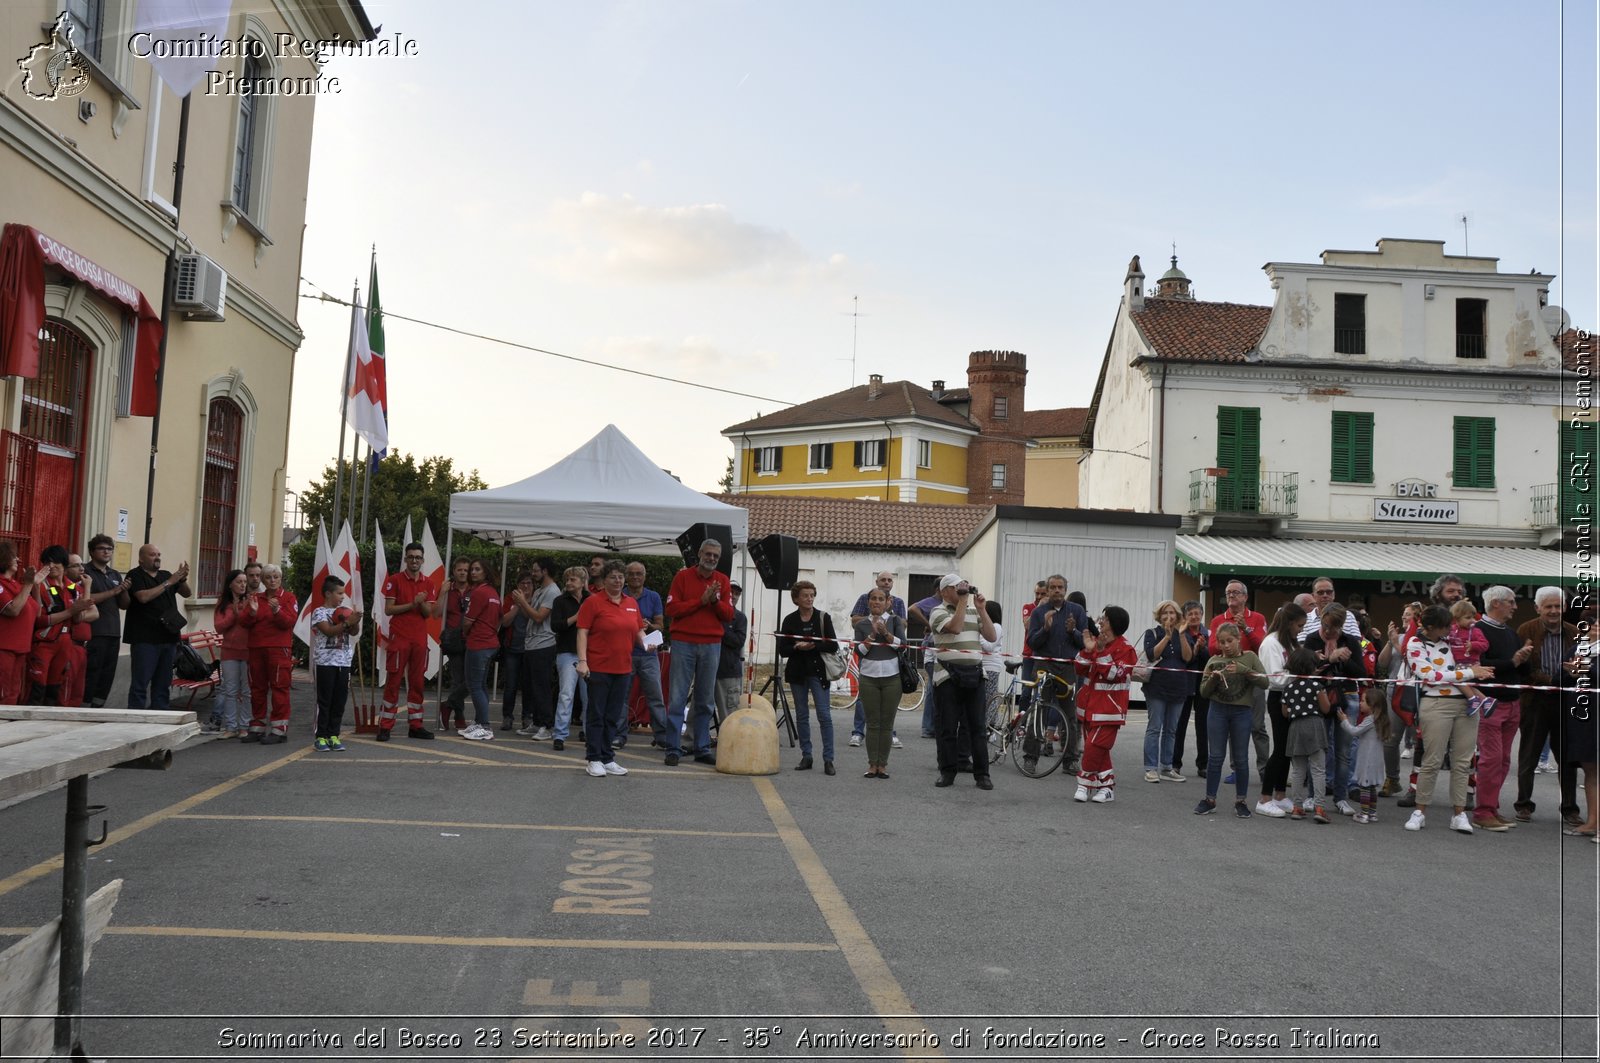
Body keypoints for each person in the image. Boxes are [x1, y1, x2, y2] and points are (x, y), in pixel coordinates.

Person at [1405, 604, 1489, 834]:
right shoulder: (1415, 644)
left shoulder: (1454, 640)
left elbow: (1471, 658)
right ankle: (1419, 811)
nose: (1449, 630)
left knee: (1463, 762)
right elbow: (1431, 676)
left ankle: (1459, 814)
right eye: (1444, 627)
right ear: (1430, 626)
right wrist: (1471, 673)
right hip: (1436, 703)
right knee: (1432, 760)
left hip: (1466, 705)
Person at [1513, 587, 1581, 825]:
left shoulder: (1574, 632)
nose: (1553, 611)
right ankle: (1523, 804)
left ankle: (1570, 808)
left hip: (1565, 700)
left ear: (1564, 608)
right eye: (1548, 606)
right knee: (1529, 755)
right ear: (1537, 608)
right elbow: (1523, 668)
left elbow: (1582, 664)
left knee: (1567, 759)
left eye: (1557, 606)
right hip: (1535, 701)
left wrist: (1569, 677)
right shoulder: (1526, 630)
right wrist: (1548, 680)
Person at [663, 539, 734, 767]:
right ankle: (673, 748)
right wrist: (700, 601)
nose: (712, 558)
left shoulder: (722, 580)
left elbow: (728, 615)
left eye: (716, 555)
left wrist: (713, 601)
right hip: (683, 642)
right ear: (699, 554)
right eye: (708, 554)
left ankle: (701, 747)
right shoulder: (682, 577)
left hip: (711, 644)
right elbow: (672, 609)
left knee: (705, 700)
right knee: (677, 698)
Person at [575, 560, 644, 777]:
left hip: (623, 668)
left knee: (613, 715)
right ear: (604, 580)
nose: (618, 580)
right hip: (599, 667)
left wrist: (646, 641)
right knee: (597, 713)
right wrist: (583, 660)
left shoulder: (631, 603)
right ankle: (593, 757)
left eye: (621, 577)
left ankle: (607, 757)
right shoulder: (593, 602)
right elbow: (582, 632)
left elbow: (638, 630)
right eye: (613, 576)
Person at [929, 574, 996, 789]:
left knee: (977, 727)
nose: (962, 591)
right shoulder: (937, 611)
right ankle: (947, 772)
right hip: (947, 676)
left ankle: (982, 775)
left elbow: (992, 636)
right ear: (945, 591)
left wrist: (982, 609)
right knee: (947, 727)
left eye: (963, 587)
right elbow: (956, 628)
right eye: (957, 588)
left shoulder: (972, 609)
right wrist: (964, 602)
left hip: (975, 674)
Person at [1195, 622, 1268, 818]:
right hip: (1217, 710)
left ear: (1238, 640)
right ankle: (1210, 799)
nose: (1226, 645)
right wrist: (1213, 679)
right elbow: (1203, 692)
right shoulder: (1213, 660)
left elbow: (1264, 681)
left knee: (1241, 758)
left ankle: (1241, 801)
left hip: (1242, 712)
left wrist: (1243, 670)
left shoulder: (1250, 657)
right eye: (1221, 642)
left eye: (1229, 641)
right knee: (1215, 757)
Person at [1302, 602, 1368, 817]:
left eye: (1334, 627)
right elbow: (1306, 670)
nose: (1329, 631)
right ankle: (1313, 795)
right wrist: (1329, 659)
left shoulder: (1351, 641)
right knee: (1318, 749)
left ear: (1341, 625)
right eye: (1326, 625)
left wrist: (1345, 660)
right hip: (1319, 696)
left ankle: (1340, 798)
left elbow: (1360, 673)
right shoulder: (1312, 639)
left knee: (1343, 751)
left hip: (1346, 697)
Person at [1472, 586, 1529, 830]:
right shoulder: (1477, 631)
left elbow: (1518, 669)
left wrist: (1523, 659)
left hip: (1512, 701)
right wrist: (1513, 661)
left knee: (1504, 760)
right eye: (1511, 602)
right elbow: (1478, 665)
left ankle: (1491, 807)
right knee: (1491, 759)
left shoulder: (1511, 633)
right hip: (1490, 702)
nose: (1515, 607)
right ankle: (1483, 811)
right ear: (1496, 603)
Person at [1027, 575, 1093, 774]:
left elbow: (1085, 643)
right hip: (1044, 665)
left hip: (1067, 668)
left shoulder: (1077, 611)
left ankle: (1070, 760)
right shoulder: (1039, 613)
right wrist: (1045, 629)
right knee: (1039, 711)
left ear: (1065, 590)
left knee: (1070, 714)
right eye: (1053, 587)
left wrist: (1073, 632)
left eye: (1060, 587)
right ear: (1047, 590)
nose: (1057, 590)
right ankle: (1030, 757)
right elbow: (1032, 643)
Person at [1073, 604, 1134, 803]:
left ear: (1114, 623)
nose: (1100, 622)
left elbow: (1114, 674)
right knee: (1100, 749)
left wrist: (1099, 652)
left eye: (1105, 619)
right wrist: (1087, 649)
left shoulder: (1127, 649)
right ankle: (1107, 788)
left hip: (1109, 711)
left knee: (1093, 747)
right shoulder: (1098, 643)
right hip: (1089, 707)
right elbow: (1080, 668)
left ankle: (1084, 784)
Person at [778, 580, 840, 775]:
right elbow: (782, 650)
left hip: (818, 672)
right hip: (797, 673)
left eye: (812, 595)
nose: (809, 598)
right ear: (796, 598)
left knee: (824, 715)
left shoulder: (823, 617)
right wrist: (797, 646)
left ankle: (828, 759)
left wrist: (813, 645)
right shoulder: (789, 620)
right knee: (802, 715)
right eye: (805, 595)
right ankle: (807, 755)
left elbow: (833, 645)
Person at [378, 542, 438, 741]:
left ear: (422, 560)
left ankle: (416, 725)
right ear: (405, 559)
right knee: (393, 681)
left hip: (419, 638)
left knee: (417, 682)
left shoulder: (428, 583)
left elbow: (428, 613)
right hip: (400, 637)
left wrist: (420, 604)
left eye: (418, 557)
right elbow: (389, 609)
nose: (414, 560)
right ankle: (386, 726)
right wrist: (413, 603)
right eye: (411, 556)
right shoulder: (394, 580)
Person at [1209, 581, 1268, 780]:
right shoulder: (1218, 620)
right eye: (1228, 593)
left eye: (1235, 592)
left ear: (1245, 596)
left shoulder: (1258, 618)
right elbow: (1211, 650)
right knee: (1234, 725)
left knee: (1258, 726)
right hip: (1230, 678)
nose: (1231, 596)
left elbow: (1263, 647)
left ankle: (1264, 770)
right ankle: (1236, 769)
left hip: (1251, 675)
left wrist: (1247, 630)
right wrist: (1227, 646)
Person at [1255, 601, 1308, 817]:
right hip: (1279, 698)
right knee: (1279, 750)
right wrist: (1300, 675)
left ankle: (1279, 794)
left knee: (1287, 749)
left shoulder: (1291, 643)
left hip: (1292, 697)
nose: (1301, 630)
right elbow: (1274, 678)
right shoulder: (1271, 643)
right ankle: (1264, 798)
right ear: (1288, 623)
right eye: (1299, 626)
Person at [124, 544, 191, 712]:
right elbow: (143, 597)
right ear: (141, 558)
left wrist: (181, 579)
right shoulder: (135, 575)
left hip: (168, 636)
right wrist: (169, 582)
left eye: (159, 554)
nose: (157, 557)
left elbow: (187, 593)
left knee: (163, 682)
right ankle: (135, 715)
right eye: (153, 554)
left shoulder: (166, 575)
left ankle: (160, 713)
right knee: (141, 682)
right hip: (144, 638)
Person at [30, 545, 97, 706]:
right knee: (37, 686)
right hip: (45, 642)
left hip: (65, 641)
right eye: (47, 563)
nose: (50, 566)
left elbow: (79, 617)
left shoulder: (72, 587)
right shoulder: (41, 584)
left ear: (64, 564)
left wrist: (86, 589)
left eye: (54, 562)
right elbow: (39, 619)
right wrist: (70, 612)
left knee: (55, 688)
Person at [849, 571, 906, 748]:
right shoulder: (864, 598)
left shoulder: (899, 602)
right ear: (876, 581)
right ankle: (858, 732)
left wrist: (886, 627)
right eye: (883, 579)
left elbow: (902, 624)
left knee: (889, 704)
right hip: (869, 663)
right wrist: (872, 624)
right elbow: (855, 620)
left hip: (890, 665)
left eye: (890, 580)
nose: (886, 582)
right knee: (864, 699)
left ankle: (890, 733)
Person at [240, 561, 294, 743]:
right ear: (263, 580)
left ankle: (279, 729)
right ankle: (257, 726)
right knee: (257, 688)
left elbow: (289, 622)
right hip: (256, 648)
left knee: (279, 687)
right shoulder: (256, 598)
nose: (272, 581)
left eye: (276, 577)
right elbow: (243, 623)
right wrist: (252, 613)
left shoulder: (288, 598)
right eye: (268, 578)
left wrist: (277, 610)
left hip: (278, 649)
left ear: (281, 579)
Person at [1140, 600, 1192, 783]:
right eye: (1165, 613)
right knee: (1155, 727)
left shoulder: (1182, 633)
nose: (1169, 616)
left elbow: (1187, 657)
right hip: (1156, 688)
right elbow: (1152, 654)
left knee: (1171, 730)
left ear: (1178, 616)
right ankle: (1151, 768)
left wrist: (1182, 635)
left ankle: (1167, 767)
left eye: (1172, 613)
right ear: (1159, 616)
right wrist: (1167, 637)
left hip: (1178, 688)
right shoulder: (1152, 633)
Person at [309, 575, 360, 752]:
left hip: (344, 662)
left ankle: (333, 735)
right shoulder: (319, 612)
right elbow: (329, 631)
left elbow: (353, 632)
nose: (342, 597)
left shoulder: (344, 610)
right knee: (324, 701)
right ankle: (320, 736)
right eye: (339, 593)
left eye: (343, 593)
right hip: (325, 662)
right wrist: (348, 622)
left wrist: (356, 621)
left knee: (339, 701)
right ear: (328, 593)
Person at [1281, 646, 1331, 823]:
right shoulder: (1317, 686)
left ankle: (1297, 807)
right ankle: (1319, 807)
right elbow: (1325, 708)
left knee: (1298, 771)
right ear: (1312, 667)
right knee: (1318, 769)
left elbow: (1285, 712)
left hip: (1295, 728)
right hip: (1314, 725)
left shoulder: (1288, 688)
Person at [81, 534, 129, 708]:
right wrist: (114, 591)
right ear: (92, 552)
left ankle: (98, 708)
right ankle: (85, 707)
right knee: (92, 672)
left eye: (109, 549)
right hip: (95, 631)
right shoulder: (85, 572)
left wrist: (124, 591)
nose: (106, 552)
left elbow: (124, 605)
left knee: (107, 675)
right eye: (102, 548)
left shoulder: (114, 573)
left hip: (113, 631)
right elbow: (87, 598)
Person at [515, 559, 560, 740]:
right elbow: (529, 617)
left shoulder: (552, 591)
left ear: (545, 571)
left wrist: (523, 603)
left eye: (535, 571)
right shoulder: (540, 590)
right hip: (531, 644)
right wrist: (523, 602)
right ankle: (537, 722)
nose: (532, 574)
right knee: (531, 686)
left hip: (544, 644)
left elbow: (540, 617)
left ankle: (547, 725)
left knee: (542, 687)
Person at [624, 562, 667, 749]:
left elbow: (661, 626)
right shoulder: (621, 595)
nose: (635, 577)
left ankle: (662, 735)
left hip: (648, 654)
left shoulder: (654, 596)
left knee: (655, 696)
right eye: (631, 574)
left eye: (638, 574)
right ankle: (618, 734)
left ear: (644, 576)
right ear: (626, 576)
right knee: (621, 697)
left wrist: (648, 625)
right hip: (626, 653)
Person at [459, 559, 503, 741]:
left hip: (478, 643)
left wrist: (465, 632)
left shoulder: (478, 593)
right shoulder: (493, 593)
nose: (473, 572)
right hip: (491, 642)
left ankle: (484, 725)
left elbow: (468, 621)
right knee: (481, 685)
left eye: (477, 569)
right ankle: (479, 722)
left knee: (474, 685)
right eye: (472, 569)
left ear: (486, 572)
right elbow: (500, 619)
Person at [1339, 687, 1394, 825]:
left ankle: (1364, 814)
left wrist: (1344, 720)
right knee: (1372, 787)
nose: (1360, 703)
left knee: (1364, 787)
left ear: (1372, 704)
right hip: (1377, 760)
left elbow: (1354, 731)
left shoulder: (1370, 720)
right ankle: (1372, 813)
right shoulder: (1381, 719)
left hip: (1367, 759)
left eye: (1363, 701)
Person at [549, 566, 588, 751]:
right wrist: (576, 618)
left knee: (589, 695)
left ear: (582, 581)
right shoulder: (559, 601)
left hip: (589, 653)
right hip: (566, 651)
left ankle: (589, 731)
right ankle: (560, 734)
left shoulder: (592, 600)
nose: (569, 583)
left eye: (573, 579)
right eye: (567, 579)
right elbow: (555, 625)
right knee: (566, 694)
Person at [1170, 601, 1211, 778]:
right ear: (1185, 617)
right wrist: (1195, 650)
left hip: (1203, 684)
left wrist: (1203, 649)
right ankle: (1175, 763)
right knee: (1180, 724)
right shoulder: (1180, 633)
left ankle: (1203, 765)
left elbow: (1212, 658)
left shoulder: (1208, 633)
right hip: (1184, 683)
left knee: (1203, 725)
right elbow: (1184, 658)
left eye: (1197, 613)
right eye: (1190, 614)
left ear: (1202, 614)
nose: (1194, 616)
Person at [212, 569, 251, 739]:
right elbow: (219, 627)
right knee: (230, 690)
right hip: (229, 651)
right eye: (239, 581)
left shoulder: (251, 601)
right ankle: (230, 726)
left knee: (247, 691)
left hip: (248, 651)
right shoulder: (223, 603)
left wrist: (243, 613)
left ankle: (244, 725)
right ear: (230, 584)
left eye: (244, 581)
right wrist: (234, 616)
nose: (243, 585)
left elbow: (254, 623)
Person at [0, 544, 42, 704]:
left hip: (20, 649)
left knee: (13, 694)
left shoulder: (16, 585)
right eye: (13, 556)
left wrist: (35, 586)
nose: (18, 559)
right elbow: (13, 610)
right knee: (3, 695)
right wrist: (29, 585)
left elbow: (37, 612)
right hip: (4, 649)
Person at [499, 571, 535, 732]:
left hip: (530, 648)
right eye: (522, 583)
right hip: (512, 648)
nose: (525, 586)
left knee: (528, 686)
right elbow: (505, 622)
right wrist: (517, 605)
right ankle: (507, 717)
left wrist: (525, 603)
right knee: (510, 685)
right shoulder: (509, 599)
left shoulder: (537, 599)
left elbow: (535, 618)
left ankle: (527, 717)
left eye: (529, 583)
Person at [438, 558, 471, 733]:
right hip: (454, 640)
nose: (463, 572)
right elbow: (436, 613)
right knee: (459, 679)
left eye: (466, 570)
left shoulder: (474, 590)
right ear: (454, 571)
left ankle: (448, 704)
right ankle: (459, 717)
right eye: (460, 570)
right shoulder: (448, 590)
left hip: (471, 638)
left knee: (471, 680)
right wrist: (442, 593)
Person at [1447, 599, 1494, 717]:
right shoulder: (1452, 630)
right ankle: (1485, 700)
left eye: (1473, 617)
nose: (1472, 620)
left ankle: (1473, 699)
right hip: (1457, 662)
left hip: (1470, 662)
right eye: (1467, 618)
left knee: (1456, 679)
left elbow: (1485, 645)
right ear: (1457, 619)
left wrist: (1473, 645)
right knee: (1466, 684)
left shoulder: (1476, 631)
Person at [715, 579, 747, 723]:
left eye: (737, 594)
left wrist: (721, 628)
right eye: (731, 592)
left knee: (729, 714)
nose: (734, 596)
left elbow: (738, 642)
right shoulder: (713, 612)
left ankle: (731, 742)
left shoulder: (740, 617)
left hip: (729, 672)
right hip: (707, 668)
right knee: (699, 708)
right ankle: (695, 741)